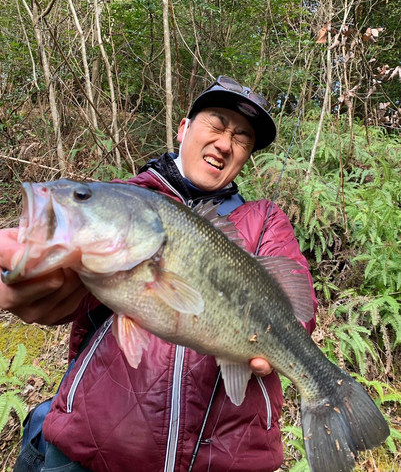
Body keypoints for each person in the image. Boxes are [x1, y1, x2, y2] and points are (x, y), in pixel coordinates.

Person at [0, 76, 318, 472]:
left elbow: (298, 309)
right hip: (91, 453)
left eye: (242, 139)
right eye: (217, 124)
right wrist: (27, 276)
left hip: (224, 460)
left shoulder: (265, 219)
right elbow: (68, 283)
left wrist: (279, 340)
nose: (225, 142)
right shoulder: (122, 196)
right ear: (183, 129)